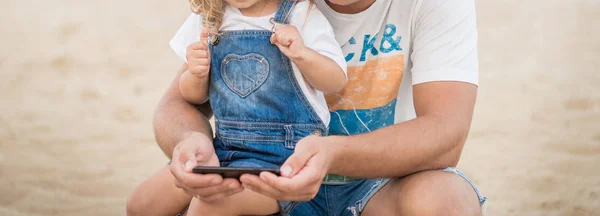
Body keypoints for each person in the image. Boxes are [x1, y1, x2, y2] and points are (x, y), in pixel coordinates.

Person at [127, 0, 488, 215]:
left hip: (378, 186)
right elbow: (178, 100)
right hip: (262, 174)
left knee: (446, 201)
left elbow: (446, 134)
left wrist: (331, 155)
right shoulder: (254, 7)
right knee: (156, 203)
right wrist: (190, 141)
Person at [128, 0, 347, 215]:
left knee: (210, 206)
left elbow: (335, 82)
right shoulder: (210, 18)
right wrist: (196, 74)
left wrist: (302, 54)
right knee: (142, 203)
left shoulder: (300, 15)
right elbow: (193, 96)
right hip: (224, 150)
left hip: (286, 160)